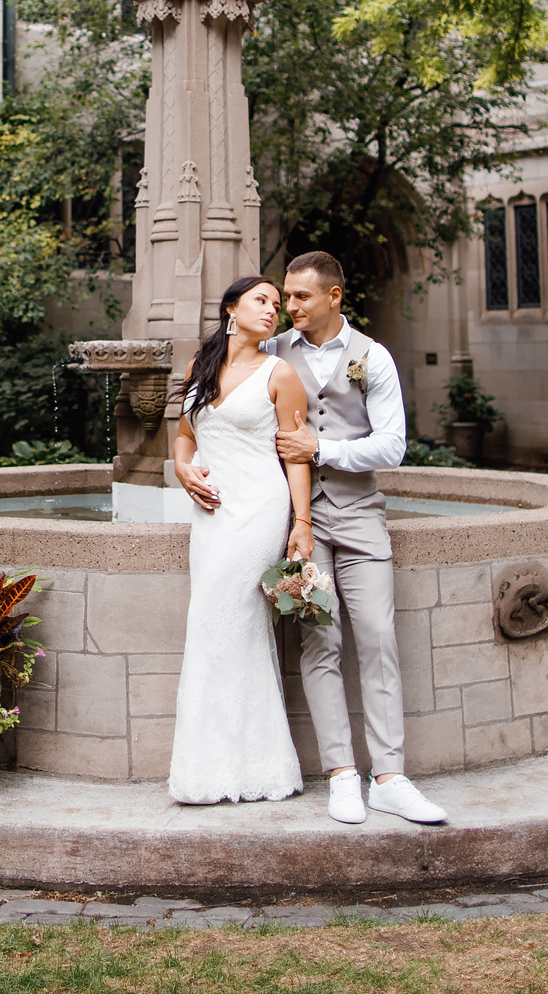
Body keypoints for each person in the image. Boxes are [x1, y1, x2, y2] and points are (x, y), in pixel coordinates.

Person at [267, 252, 448, 825]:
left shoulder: (374, 358)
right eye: (286, 296)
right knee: (320, 643)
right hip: (300, 524)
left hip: (361, 516)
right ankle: (342, 775)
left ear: (334, 296)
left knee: (376, 638)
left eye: (300, 297)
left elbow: (392, 447)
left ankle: (390, 776)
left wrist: (321, 450)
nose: (288, 307)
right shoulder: (273, 352)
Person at [166, 274, 314, 805]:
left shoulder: (282, 374)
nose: (273, 310)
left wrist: (302, 523)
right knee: (211, 624)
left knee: (229, 619)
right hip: (211, 515)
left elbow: (296, 454)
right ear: (231, 308)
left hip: (258, 509)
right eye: (262, 300)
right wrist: (185, 473)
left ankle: (254, 765)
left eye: (278, 304)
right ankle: (217, 768)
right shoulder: (199, 370)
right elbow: (185, 440)